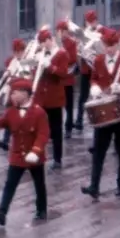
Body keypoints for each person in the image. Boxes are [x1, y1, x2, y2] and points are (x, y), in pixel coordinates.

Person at [0, 78, 50, 225]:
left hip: (33, 155)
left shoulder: (39, 112)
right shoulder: (11, 112)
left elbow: (43, 134)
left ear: (25, 94)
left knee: (39, 184)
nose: (11, 96)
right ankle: (2, 212)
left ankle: (41, 209)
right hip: (17, 154)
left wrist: (36, 151)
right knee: (10, 184)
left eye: (15, 93)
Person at [84, 27, 120, 198]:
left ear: (117, 45)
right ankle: (94, 186)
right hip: (103, 112)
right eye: (107, 45)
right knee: (99, 151)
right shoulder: (99, 60)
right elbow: (94, 78)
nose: (109, 49)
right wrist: (94, 87)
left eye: (112, 45)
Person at [33, 27, 71, 169]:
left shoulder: (61, 54)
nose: (43, 45)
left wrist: (50, 66)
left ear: (50, 40)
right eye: (41, 43)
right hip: (40, 98)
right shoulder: (40, 53)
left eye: (44, 42)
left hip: (55, 98)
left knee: (56, 129)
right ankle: (38, 155)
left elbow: (63, 73)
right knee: (40, 129)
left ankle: (57, 159)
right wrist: (34, 64)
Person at [74, 10, 102, 130]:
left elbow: (102, 51)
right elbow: (79, 51)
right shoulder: (83, 34)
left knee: (99, 94)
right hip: (86, 69)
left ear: (96, 21)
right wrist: (80, 53)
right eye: (88, 22)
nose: (91, 24)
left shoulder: (101, 33)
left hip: (98, 69)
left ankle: (101, 119)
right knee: (83, 96)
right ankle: (79, 120)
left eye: (93, 21)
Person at [0, 38, 28, 152]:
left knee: (22, 119)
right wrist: (7, 73)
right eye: (15, 51)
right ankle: (6, 140)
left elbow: (27, 77)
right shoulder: (14, 60)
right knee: (10, 115)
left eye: (19, 51)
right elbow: (10, 70)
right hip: (13, 92)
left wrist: (15, 78)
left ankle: (22, 142)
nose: (17, 54)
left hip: (23, 94)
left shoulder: (27, 60)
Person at [57, 21, 79, 139]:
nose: (61, 34)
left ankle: (68, 128)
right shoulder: (55, 43)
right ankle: (57, 128)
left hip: (68, 79)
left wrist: (62, 58)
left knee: (69, 106)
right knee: (57, 106)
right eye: (60, 31)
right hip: (57, 80)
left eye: (63, 31)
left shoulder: (71, 43)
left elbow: (73, 59)